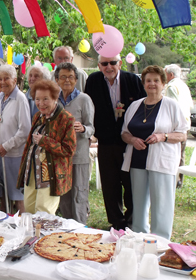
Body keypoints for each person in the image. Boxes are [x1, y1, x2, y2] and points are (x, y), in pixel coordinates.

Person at [121, 65, 188, 239]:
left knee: (162, 204)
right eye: (148, 80)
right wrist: (132, 140)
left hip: (162, 161)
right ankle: (139, 238)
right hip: (137, 160)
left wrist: (163, 136)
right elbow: (124, 133)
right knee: (139, 203)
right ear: (143, 84)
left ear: (163, 83)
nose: (152, 84)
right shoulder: (135, 105)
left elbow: (182, 134)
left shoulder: (172, 105)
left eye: (156, 80)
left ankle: (160, 241)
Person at [85, 54, 146, 230]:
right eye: (104, 63)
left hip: (128, 142)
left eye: (113, 63)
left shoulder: (132, 80)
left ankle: (131, 221)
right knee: (109, 185)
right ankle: (116, 223)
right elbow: (89, 107)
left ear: (120, 63)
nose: (109, 67)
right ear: (99, 65)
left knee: (130, 183)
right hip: (105, 142)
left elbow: (142, 106)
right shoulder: (94, 80)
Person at [17, 79, 76, 215]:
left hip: (51, 175)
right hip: (31, 172)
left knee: (44, 214)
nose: (41, 103)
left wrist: (45, 141)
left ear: (55, 98)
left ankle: (44, 237)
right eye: (37, 99)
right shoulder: (38, 116)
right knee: (29, 209)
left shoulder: (65, 119)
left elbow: (69, 150)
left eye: (45, 99)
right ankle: (32, 236)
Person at [0, 65, 31, 213]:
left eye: (6, 78)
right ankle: (4, 222)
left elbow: (25, 130)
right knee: (2, 194)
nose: (2, 82)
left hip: (14, 154)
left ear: (15, 80)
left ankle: (23, 226)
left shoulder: (20, 99)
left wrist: (7, 145)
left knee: (17, 196)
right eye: (0, 79)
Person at [55, 63, 95, 224]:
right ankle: (67, 229)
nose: (67, 80)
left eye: (70, 77)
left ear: (76, 80)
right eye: (63, 77)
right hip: (60, 157)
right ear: (57, 80)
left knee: (79, 194)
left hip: (79, 156)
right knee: (64, 196)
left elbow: (92, 128)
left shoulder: (84, 99)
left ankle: (81, 230)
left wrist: (83, 128)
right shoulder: (54, 100)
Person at [164, 64, 193, 188]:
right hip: (186, 122)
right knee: (181, 152)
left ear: (170, 74)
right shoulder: (184, 85)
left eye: (165, 74)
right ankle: (179, 180)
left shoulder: (171, 86)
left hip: (176, 125)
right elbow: (190, 105)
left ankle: (172, 179)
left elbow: (171, 107)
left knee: (173, 152)